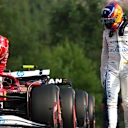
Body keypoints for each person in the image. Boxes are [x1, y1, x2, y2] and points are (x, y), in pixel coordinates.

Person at [100, 2, 128, 128]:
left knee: (127, 103)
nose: (108, 24)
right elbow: (104, 55)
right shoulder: (106, 32)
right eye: (106, 21)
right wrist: (103, 73)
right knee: (111, 103)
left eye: (110, 20)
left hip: (127, 69)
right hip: (112, 70)